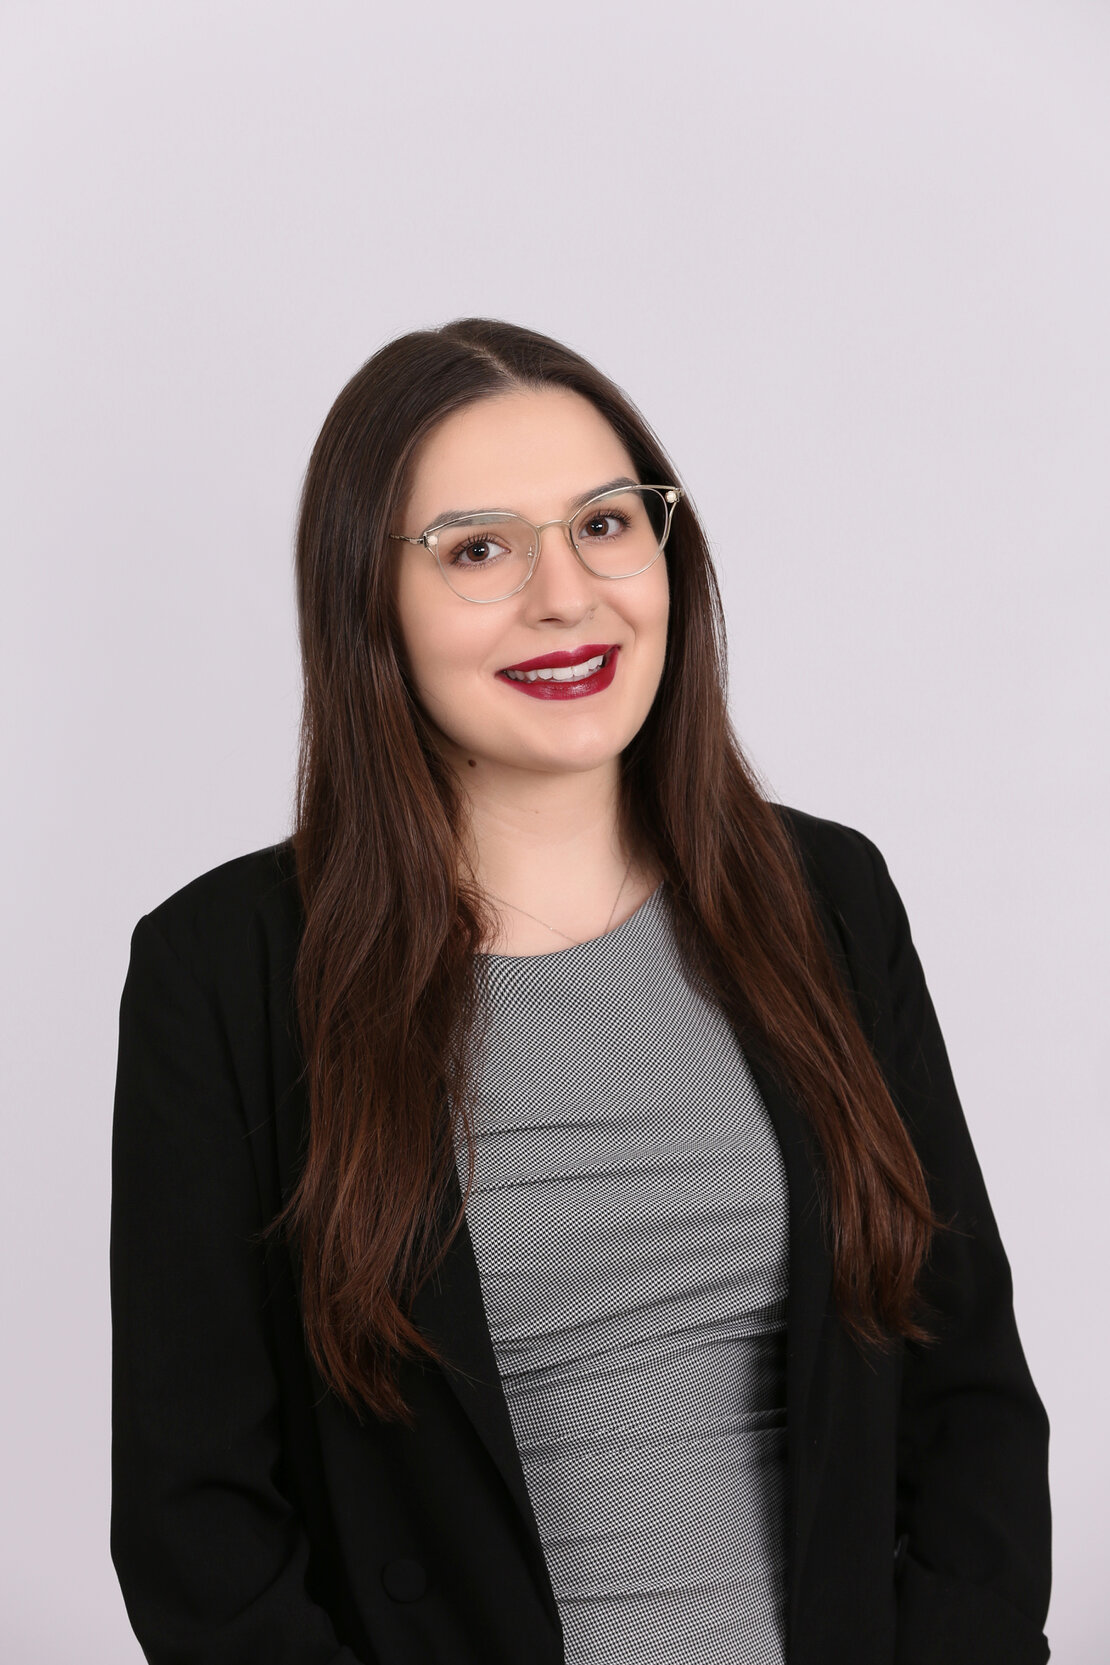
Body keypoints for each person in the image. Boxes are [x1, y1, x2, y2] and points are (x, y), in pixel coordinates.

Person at [109, 317, 1051, 1665]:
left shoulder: (826, 897)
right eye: (478, 549)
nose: (565, 596)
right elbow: (196, 1524)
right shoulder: (224, 969)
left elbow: (969, 1400)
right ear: (367, 597)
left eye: (604, 524)